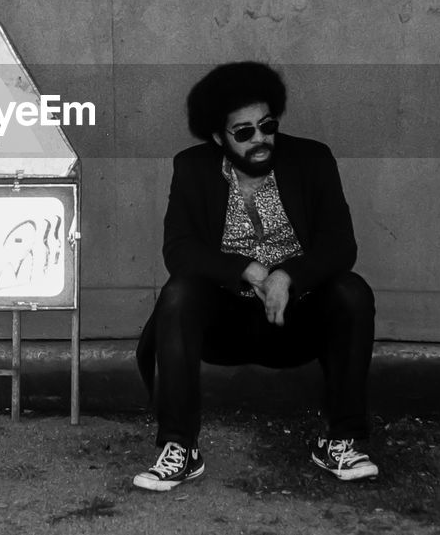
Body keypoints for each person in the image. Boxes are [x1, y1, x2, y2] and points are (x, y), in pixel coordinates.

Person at [133, 61, 377, 491]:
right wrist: (246, 270)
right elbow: (179, 250)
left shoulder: (311, 160)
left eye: (267, 126)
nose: (260, 139)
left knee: (352, 292)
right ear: (217, 137)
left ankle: (340, 440)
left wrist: (288, 276)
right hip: (224, 319)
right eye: (243, 132)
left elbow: (341, 245)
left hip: (296, 316)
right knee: (179, 293)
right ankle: (180, 448)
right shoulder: (192, 168)